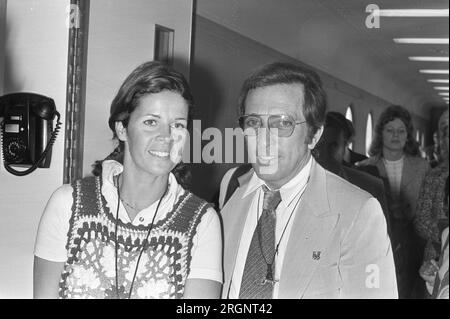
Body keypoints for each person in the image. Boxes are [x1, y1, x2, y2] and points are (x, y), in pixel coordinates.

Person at [33, 61, 223, 299]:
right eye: (151, 122)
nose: (166, 137)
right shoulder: (67, 203)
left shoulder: (203, 221)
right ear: (122, 128)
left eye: (177, 125)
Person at [220, 62, 397, 299]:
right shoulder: (232, 188)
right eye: (253, 123)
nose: (263, 139)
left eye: (282, 123)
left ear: (314, 135)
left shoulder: (358, 212)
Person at [357, 105, 429, 299]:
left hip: (415, 245)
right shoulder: (364, 168)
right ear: (381, 134)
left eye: (401, 131)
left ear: (408, 135)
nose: (395, 136)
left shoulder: (422, 168)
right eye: (390, 130)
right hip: (379, 244)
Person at [313, 111, 392, 237]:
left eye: (333, 146)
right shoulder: (292, 186)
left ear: (345, 146)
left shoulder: (371, 186)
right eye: (319, 145)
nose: (323, 153)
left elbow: (383, 241)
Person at [415, 110, 449, 296]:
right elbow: (421, 221)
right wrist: (446, 235)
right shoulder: (434, 176)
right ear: (444, 140)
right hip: (436, 260)